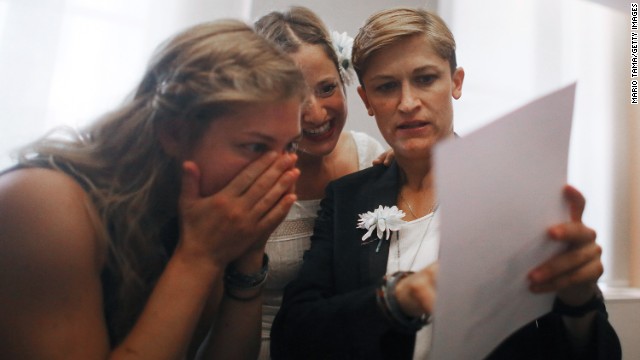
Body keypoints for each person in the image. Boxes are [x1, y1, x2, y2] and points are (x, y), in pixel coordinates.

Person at [270, 7, 621, 360]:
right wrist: (395, 300)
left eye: (425, 79)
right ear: (367, 100)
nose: (408, 103)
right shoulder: (348, 197)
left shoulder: (515, 192)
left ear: (456, 82)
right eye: (387, 86)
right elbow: (292, 336)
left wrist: (580, 303)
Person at [0, 19, 308, 359]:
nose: (282, 171)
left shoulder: (197, 209)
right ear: (173, 133)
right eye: (255, 147)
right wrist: (198, 258)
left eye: (290, 147)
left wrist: (248, 257)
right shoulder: (43, 202)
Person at [254, 6, 386, 359]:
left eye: (327, 88)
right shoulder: (248, 180)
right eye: (294, 98)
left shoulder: (369, 155)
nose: (316, 113)